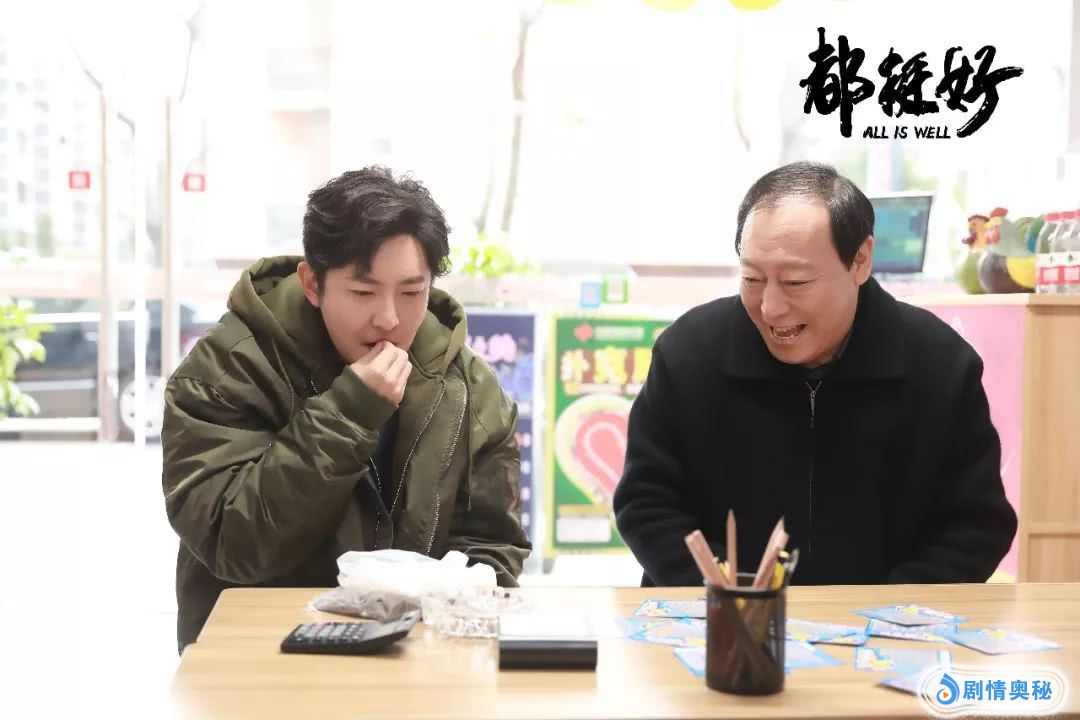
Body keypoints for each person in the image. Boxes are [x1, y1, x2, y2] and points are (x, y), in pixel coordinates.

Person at [162, 166, 530, 652]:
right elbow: (234, 543)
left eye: (412, 292)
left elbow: (492, 546)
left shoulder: (467, 387)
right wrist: (350, 412)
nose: (389, 318)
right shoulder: (226, 371)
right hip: (258, 657)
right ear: (312, 284)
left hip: (414, 661)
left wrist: (457, 603)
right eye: (363, 292)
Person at [613, 161, 1016, 587]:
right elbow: (646, 503)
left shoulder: (939, 364)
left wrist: (889, 612)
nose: (770, 307)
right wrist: (729, 600)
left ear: (860, 260)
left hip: (892, 624)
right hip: (715, 617)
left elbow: (975, 525)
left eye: (795, 282)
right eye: (752, 278)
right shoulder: (689, 352)